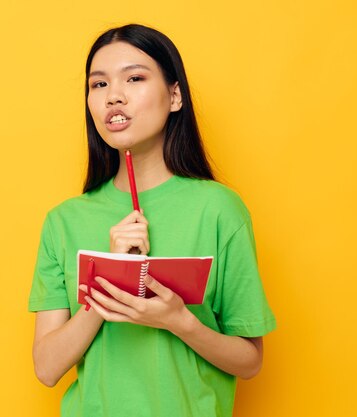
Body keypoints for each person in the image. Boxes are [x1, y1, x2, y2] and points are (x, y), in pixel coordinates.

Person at [28, 24, 276, 417]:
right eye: (98, 85)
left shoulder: (219, 210)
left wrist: (179, 320)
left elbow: (249, 361)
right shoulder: (63, 221)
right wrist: (107, 280)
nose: (114, 97)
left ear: (175, 96)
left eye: (135, 78)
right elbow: (47, 367)